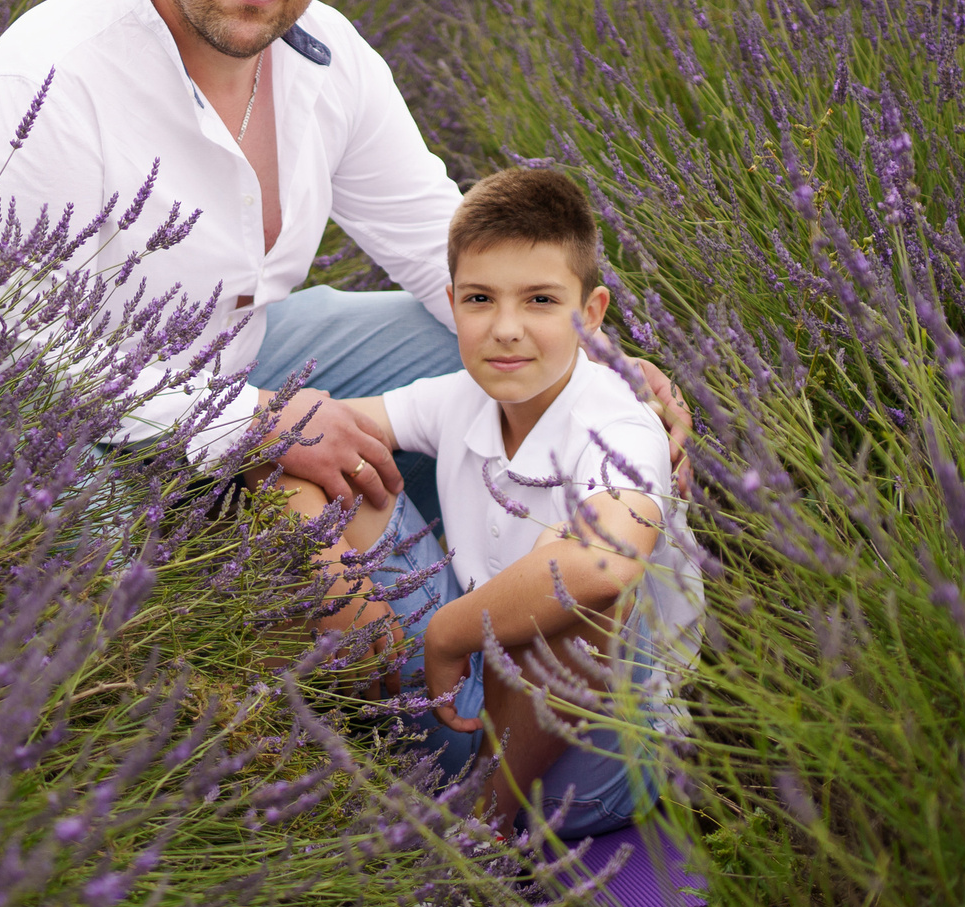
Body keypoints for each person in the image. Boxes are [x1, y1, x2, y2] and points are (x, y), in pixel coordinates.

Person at [0, 0, 686, 518]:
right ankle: (395, 615)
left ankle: (555, 607)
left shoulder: (330, 57)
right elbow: (13, 344)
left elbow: (441, 241)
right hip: (46, 415)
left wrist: (595, 368)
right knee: (96, 560)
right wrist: (258, 420)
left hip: (237, 354)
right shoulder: (48, 83)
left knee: (524, 367)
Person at [265, 166, 702, 841]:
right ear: (452, 302)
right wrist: (321, 552)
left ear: (590, 315)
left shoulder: (620, 425)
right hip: (471, 700)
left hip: (594, 747)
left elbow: (605, 565)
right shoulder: (461, 396)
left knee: (575, 570)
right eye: (479, 299)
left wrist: (448, 631)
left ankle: (482, 837)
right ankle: (377, 761)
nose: (505, 329)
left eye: (539, 301)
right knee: (336, 465)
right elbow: (304, 437)